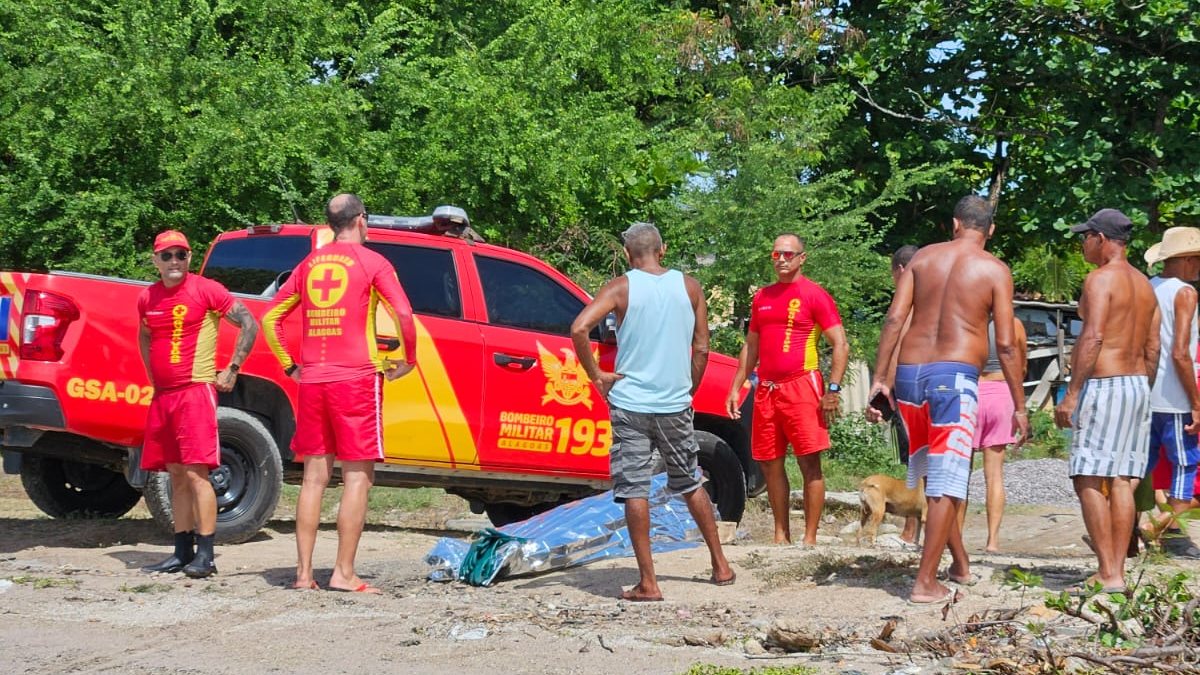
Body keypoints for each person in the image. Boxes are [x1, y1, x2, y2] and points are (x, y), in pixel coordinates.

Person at [868, 195, 1028, 604]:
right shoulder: (994, 269)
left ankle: (959, 564)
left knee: (935, 476)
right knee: (947, 483)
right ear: (989, 229)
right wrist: (1019, 404)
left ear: (955, 223)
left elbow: (894, 319)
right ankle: (925, 582)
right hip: (953, 378)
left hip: (909, 377)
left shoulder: (922, 259)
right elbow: (1007, 345)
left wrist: (880, 379)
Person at [571, 222, 734, 602]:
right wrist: (688, 389)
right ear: (662, 250)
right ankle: (721, 565)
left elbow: (579, 327)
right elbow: (703, 348)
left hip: (630, 403)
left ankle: (649, 582)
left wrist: (597, 376)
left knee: (634, 488)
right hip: (675, 403)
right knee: (689, 481)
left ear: (628, 255)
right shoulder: (690, 287)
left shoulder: (620, 287)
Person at [263, 193, 418, 593]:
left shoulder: (309, 264)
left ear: (332, 224)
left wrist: (290, 366)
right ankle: (343, 573)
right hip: (357, 379)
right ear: (362, 220)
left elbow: (271, 317)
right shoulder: (373, 262)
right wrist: (408, 359)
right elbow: (403, 313)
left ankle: (302, 575)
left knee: (314, 477)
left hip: (313, 379)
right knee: (357, 478)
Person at [138, 229, 259, 578]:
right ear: (155, 260)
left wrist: (232, 369)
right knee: (174, 475)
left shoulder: (206, 289)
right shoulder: (148, 298)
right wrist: (153, 376)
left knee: (196, 472)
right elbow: (144, 335)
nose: (174, 261)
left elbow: (249, 322)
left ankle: (205, 554)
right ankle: (181, 551)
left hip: (195, 392)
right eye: (167, 255)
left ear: (189, 258)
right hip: (164, 396)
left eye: (181, 254)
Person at [1054, 208, 1160, 593]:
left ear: (1101, 239)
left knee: (1086, 476)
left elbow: (1093, 336)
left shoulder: (1100, 279)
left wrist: (1073, 393)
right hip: (1136, 385)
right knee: (1121, 480)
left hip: (1105, 384)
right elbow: (1153, 347)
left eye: (1085, 237)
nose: (1082, 244)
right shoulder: (1145, 285)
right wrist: (1141, 389)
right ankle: (1115, 571)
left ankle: (1108, 571)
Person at [724, 234, 850, 546]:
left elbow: (840, 344)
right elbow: (751, 346)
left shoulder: (815, 295)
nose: (782, 259)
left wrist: (832, 389)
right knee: (769, 462)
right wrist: (735, 386)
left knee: (809, 462)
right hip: (766, 388)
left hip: (802, 386)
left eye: (788, 254)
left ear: (802, 258)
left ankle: (810, 538)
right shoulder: (762, 297)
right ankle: (781, 535)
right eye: (776, 254)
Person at [1140, 227, 1200, 555]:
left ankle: (1127, 529)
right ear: (1186, 260)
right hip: (1174, 396)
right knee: (1185, 466)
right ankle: (1164, 531)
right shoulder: (1185, 293)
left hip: (1145, 393)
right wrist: (1196, 402)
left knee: (1142, 465)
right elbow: (1181, 352)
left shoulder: (1148, 289)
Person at [958, 317, 1027, 553]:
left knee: (959, 474)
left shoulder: (966, 320)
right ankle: (992, 542)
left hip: (969, 391)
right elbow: (1022, 365)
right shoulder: (1013, 324)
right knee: (995, 476)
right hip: (1002, 393)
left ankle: (956, 539)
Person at [889, 245, 922, 549]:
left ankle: (911, 529)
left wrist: (884, 383)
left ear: (900, 270)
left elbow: (898, 344)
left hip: (910, 385)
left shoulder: (908, 301)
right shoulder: (936, 298)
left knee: (916, 458)